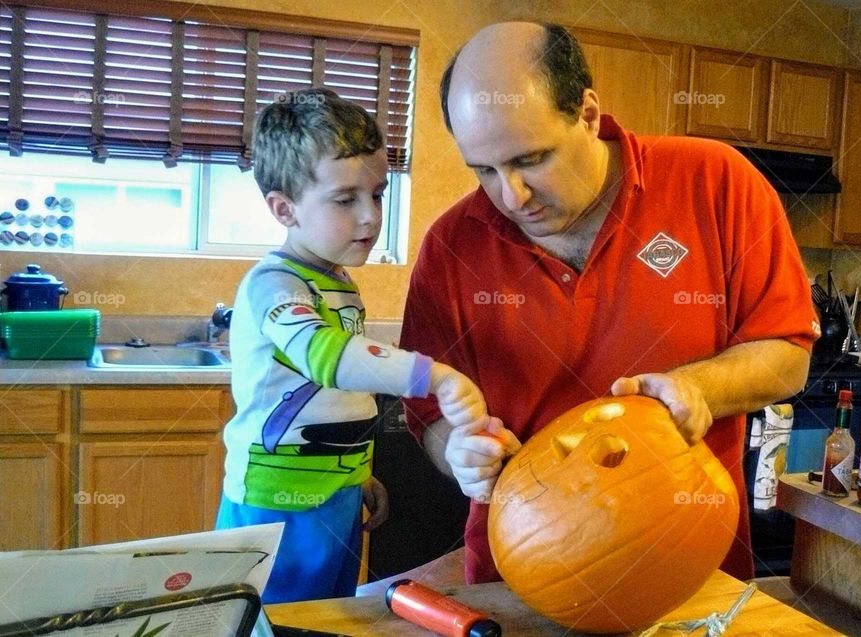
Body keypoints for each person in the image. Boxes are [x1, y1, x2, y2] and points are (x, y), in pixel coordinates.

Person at [400, 23, 819, 583]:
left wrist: (698, 389)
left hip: (690, 570)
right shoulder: (453, 246)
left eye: (531, 160)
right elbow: (426, 410)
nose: (511, 195)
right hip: (521, 575)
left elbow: (787, 351)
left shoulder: (717, 182)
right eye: (484, 170)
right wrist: (458, 452)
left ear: (589, 114)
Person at [216, 87, 506, 603]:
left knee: (330, 613)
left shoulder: (338, 281)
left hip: (335, 494)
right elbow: (326, 358)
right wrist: (433, 375)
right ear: (284, 209)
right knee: (270, 621)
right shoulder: (274, 285)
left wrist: (356, 473)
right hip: (272, 499)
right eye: (345, 199)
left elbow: (334, 402)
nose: (370, 216)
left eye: (377, 194)